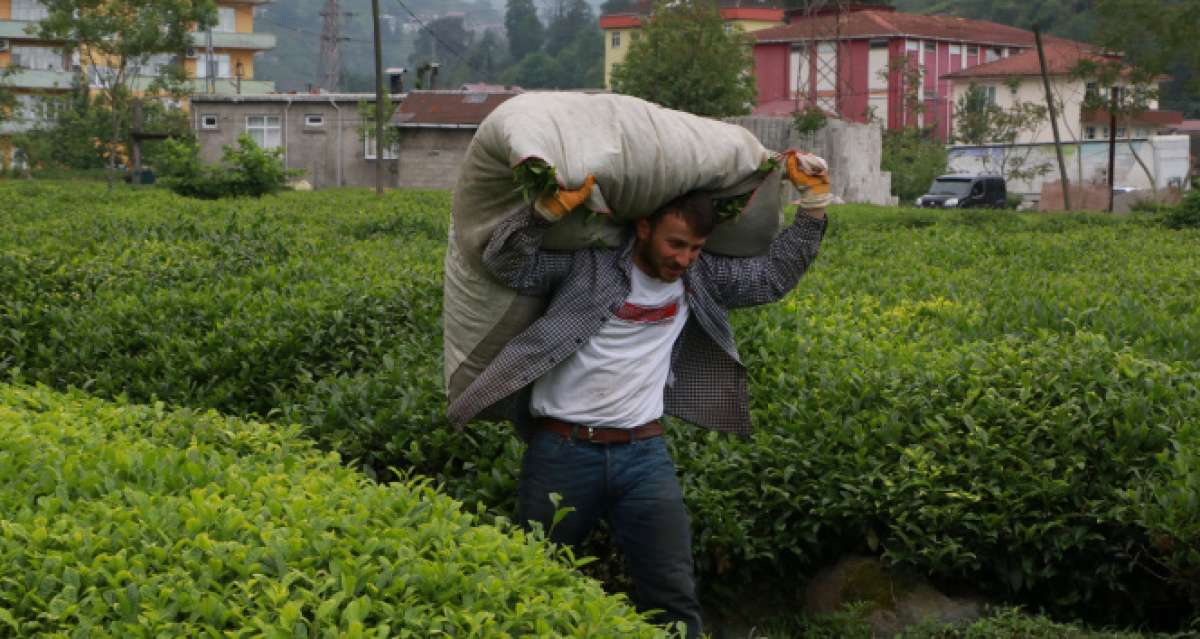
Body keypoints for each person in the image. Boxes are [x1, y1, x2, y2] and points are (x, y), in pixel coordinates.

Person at [447, 152, 832, 637]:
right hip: (562, 451)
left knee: (672, 591)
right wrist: (543, 213)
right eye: (675, 244)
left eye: (694, 247)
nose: (683, 258)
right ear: (644, 228)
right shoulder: (587, 268)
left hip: (643, 454)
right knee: (531, 580)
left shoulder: (699, 277)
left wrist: (814, 204)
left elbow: (771, 278)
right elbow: (505, 263)